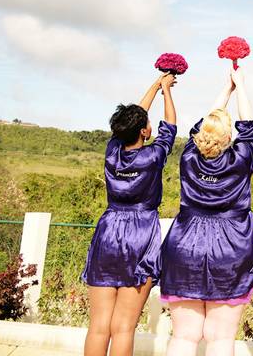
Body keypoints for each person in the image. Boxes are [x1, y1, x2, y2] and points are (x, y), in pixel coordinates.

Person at [160, 68, 253, 356]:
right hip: (230, 249)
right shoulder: (242, 159)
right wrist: (240, 86)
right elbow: (250, 126)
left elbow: (202, 126)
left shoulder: (189, 157)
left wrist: (225, 90)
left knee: (183, 336)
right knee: (220, 338)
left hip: (185, 246)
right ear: (229, 136)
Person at [83, 72, 177, 356]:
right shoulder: (153, 157)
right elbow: (170, 126)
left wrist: (154, 85)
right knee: (124, 326)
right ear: (145, 132)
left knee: (99, 324)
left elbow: (132, 121)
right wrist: (166, 91)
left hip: (109, 230)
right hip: (141, 232)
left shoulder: (112, 152)